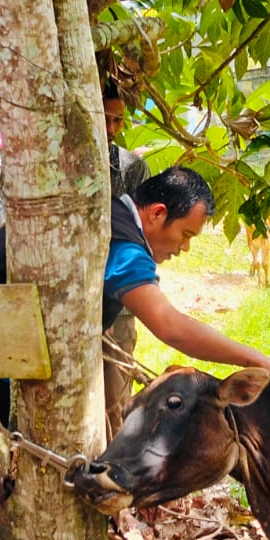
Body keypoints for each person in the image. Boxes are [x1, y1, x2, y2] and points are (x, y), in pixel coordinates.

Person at [0, 165, 270, 427]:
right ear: (157, 214)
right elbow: (169, 326)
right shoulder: (122, 245)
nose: (184, 248)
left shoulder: (108, 213)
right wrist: (256, 362)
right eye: (185, 234)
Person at [101, 81, 150, 434]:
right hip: (72, 301)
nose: (111, 129)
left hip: (119, 303)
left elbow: (141, 234)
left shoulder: (133, 169)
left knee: (114, 402)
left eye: (118, 120)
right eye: (105, 118)